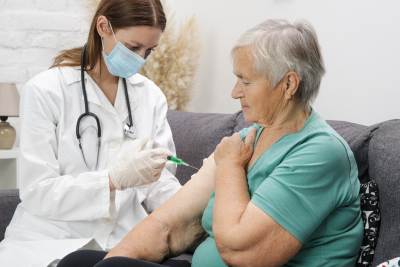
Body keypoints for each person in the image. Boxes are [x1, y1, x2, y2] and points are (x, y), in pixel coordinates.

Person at [58, 19, 364, 267]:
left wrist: (230, 166)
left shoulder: (319, 153)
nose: (234, 92)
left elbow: (242, 251)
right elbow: (168, 224)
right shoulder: (248, 139)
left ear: (288, 84)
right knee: (78, 261)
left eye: (245, 81)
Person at [0, 0, 183, 266]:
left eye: (149, 50)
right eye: (133, 47)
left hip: (125, 241)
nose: (141, 59)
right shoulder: (46, 90)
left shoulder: (150, 95)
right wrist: (111, 180)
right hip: (49, 240)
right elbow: (37, 191)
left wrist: (197, 202)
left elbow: (159, 179)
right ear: (103, 27)